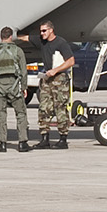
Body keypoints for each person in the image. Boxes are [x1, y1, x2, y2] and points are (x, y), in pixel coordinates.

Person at [29, 19, 75, 149]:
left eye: (44, 31)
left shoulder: (61, 43)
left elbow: (71, 61)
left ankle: (63, 139)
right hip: (47, 78)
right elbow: (27, 38)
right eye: (41, 31)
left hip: (59, 79)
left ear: (51, 30)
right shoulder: (42, 41)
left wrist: (56, 70)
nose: (42, 33)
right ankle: (44, 138)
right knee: (44, 108)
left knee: (60, 107)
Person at [0, 27, 30, 152]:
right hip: (14, 86)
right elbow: (23, 71)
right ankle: (22, 142)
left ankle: (2, 144)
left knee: (1, 114)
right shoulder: (18, 51)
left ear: (1, 37)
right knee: (20, 114)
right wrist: (24, 87)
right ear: (11, 37)